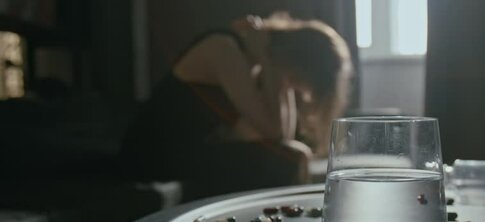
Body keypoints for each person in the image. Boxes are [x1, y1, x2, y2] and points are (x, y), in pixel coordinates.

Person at [120, 13, 353, 198]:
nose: (297, 86)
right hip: (151, 155)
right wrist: (269, 62)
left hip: (189, 150)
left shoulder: (259, 67)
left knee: (292, 155)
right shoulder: (223, 49)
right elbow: (273, 132)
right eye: (300, 80)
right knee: (288, 158)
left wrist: (280, 81)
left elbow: (281, 135)